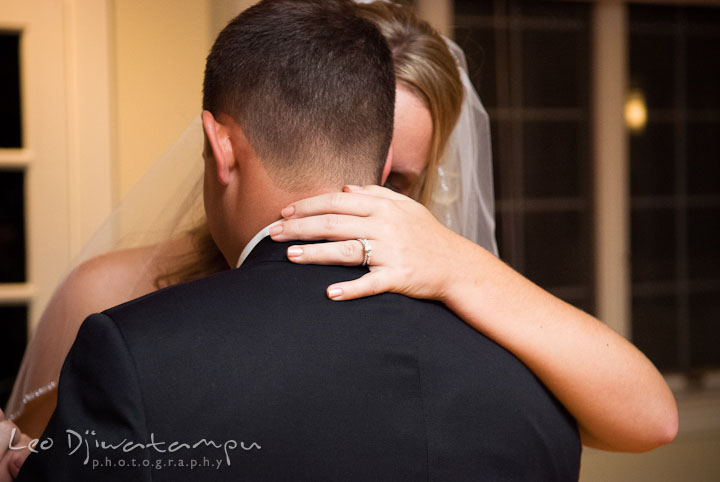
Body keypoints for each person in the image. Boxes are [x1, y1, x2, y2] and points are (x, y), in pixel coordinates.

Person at [2, 0, 676, 477]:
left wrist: (459, 267)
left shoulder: (466, 311)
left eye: (397, 182)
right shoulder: (114, 305)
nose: (356, 199)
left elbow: (650, 419)